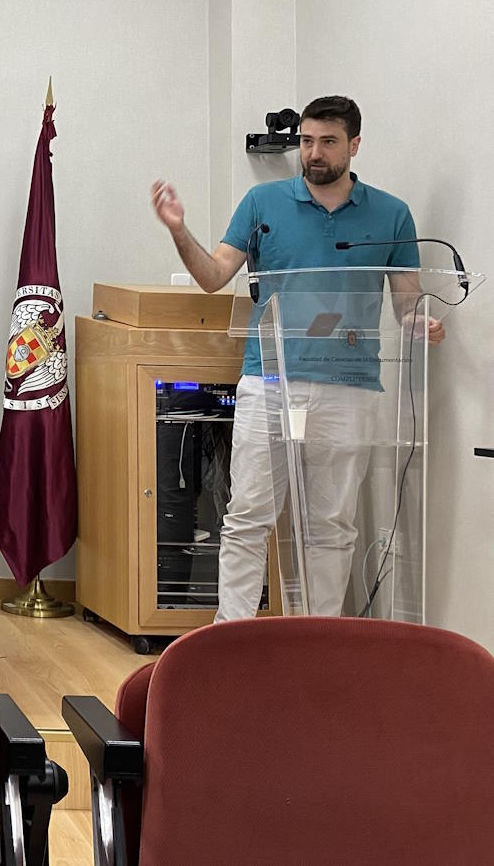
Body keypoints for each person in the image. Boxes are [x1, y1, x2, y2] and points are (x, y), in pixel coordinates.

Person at [152, 94, 441, 621]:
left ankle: (315, 637)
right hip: (271, 380)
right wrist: (177, 230)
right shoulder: (263, 203)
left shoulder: (392, 214)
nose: (314, 153)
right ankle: (232, 634)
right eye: (307, 141)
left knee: (331, 525)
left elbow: (406, 303)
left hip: (350, 385)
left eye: (328, 142)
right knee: (248, 516)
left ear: (354, 145)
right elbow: (214, 277)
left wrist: (419, 322)